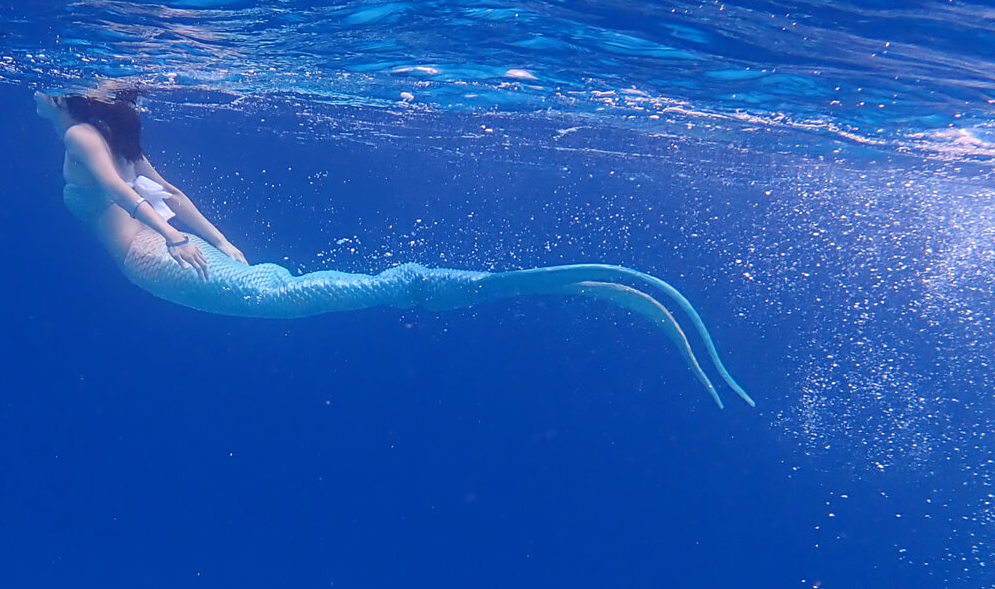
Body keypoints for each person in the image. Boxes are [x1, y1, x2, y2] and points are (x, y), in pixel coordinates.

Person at [37, 85, 754, 408]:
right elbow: (160, 193)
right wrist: (210, 239)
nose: (38, 98)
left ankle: (425, 282)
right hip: (183, 251)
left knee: (293, 297)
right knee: (294, 289)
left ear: (76, 99)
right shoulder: (111, 136)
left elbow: (142, 195)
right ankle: (461, 281)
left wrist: (194, 240)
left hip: (161, 262)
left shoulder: (80, 136)